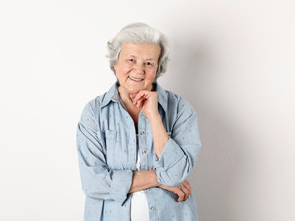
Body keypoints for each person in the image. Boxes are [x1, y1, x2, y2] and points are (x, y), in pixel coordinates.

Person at [76, 22, 202, 221]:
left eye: (149, 63)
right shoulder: (94, 113)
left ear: (158, 68)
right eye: (131, 60)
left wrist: (154, 116)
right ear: (115, 62)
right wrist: (160, 179)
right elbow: (93, 183)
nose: (139, 70)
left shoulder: (180, 110)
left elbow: (176, 174)